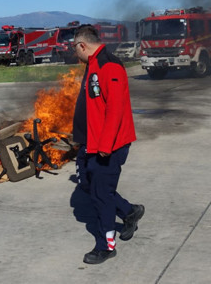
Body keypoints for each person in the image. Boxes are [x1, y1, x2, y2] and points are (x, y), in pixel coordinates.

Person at [71, 24, 144, 265]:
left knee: (101, 196)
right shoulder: (92, 64)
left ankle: (105, 246)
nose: (74, 53)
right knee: (88, 185)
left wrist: (105, 145)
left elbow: (115, 109)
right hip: (89, 142)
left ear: (82, 45)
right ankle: (129, 211)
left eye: (74, 48)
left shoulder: (109, 65)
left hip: (107, 146)